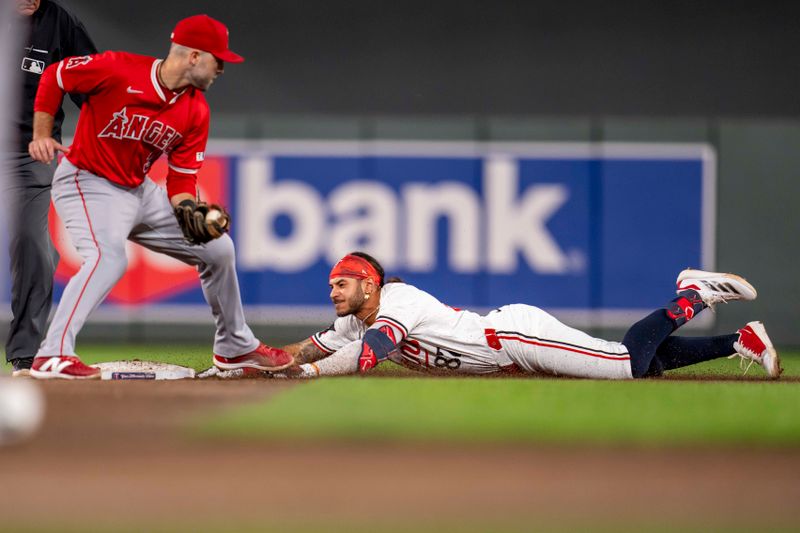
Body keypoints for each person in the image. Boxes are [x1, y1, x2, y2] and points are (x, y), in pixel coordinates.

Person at [26, 14, 294, 379]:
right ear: (195, 56)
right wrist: (42, 131)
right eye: (219, 60)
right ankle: (52, 353)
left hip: (140, 190)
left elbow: (181, 182)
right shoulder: (119, 69)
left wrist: (190, 213)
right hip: (88, 180)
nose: (222, 69)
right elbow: (55, 75)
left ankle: (234, 346)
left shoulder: (196, 109)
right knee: (108, 258)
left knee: (219, 248)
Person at [277, 252, 781, 380]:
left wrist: (306, 373)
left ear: (369, 283)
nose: (333, 292)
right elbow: (306, 349)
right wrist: (258, 362)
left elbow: (366, 358)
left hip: (513, 337)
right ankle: (739, 342)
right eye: (330, 286)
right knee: (645, 368)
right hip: (508, 351)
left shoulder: (396, 301)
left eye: (340, 284)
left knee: (625, 364)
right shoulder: (355, 319)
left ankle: (692, 293)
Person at [5, 0, 96, 377]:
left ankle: (26, 353)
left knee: (33, 244)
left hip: (28, 155)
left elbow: (94, 89)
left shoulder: (60, 24)